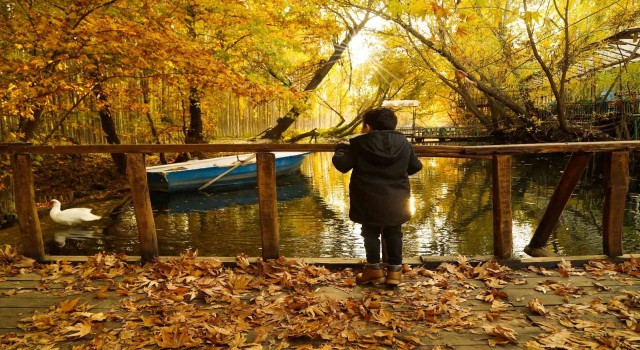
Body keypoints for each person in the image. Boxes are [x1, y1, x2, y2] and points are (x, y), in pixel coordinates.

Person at [332, 107, 423, 286]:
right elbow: (415, 167)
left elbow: (342, 165)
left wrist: (341, 148)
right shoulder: (404, 143)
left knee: (370, 233)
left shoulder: (358, 143)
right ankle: (394, 273)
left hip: (367, 198)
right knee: (395, 232)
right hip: (397, 198)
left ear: (368, 127)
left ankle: (373, 270)